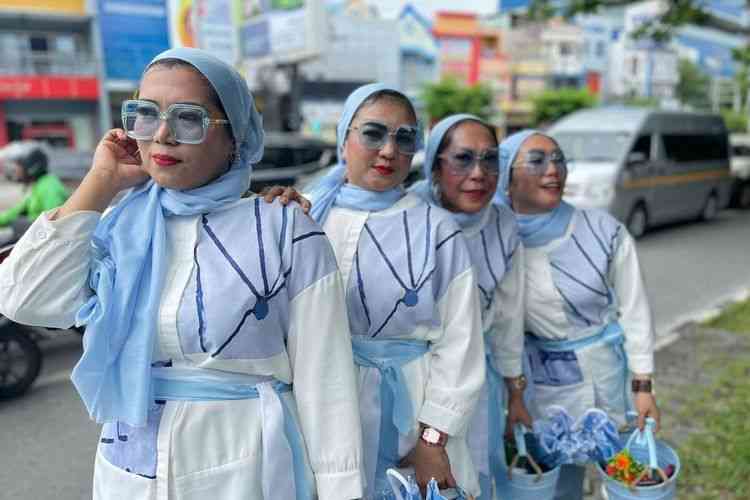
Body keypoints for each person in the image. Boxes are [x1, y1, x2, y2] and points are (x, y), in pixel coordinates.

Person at [0, 47, 363, 500]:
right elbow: (24, 301)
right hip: (129, 466)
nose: (163, 134)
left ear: (235, 135)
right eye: (146, 114)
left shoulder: (283, 229)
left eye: (189, 118)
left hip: (247, 465)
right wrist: (101, 181)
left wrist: (340, 490)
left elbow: (326, 383)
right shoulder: (116, 226)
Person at [302, 84, 485, 498]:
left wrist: (433, 439)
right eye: (373, 134)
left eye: (404, 138)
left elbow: (461, 343)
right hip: (323, 406)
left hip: (414, 410)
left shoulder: (437, 230)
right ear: (343, 138)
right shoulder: (304, 217)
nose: (388, 150)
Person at [495, 130, 660, 499]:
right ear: (506, 173)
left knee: (627, 475)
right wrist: (514, 395)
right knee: (556, 478)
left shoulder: (603, 231)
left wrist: (643, 386)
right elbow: (503, 327)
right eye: (537, 160)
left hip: (608, 378)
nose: (553, 170)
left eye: (559, 159)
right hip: (540, 383)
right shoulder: (494, 240)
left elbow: (636, 312)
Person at [409, 114, 530, 500]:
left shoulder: (502, 224)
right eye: (463, 159)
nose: (479, 174)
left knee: (473, 477)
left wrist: (515, 392)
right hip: (411, 385)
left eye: (490, 160)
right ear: (435, 165)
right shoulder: (407, 217)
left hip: (476, 386)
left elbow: (509, 318)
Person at [0, 143, 68, 245]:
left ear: (32, 168)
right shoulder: (39, 185)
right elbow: (15, 212)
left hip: (48, 243)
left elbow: (55, 222)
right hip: (37, 237)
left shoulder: (50, 187)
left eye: (19, 167)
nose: (16, 171)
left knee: (18, 224)